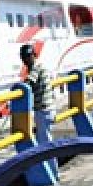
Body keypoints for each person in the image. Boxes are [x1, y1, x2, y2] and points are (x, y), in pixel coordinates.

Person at [20, 43, 58, 173]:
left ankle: (52, 172)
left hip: (43, 110)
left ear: (33, 56)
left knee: (45, 143)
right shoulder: (42, 66)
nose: (25, 60)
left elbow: (28, 83)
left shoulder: (35, 68)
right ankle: (50, 169)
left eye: (27, 56)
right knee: (45, 140)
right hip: (50, 109)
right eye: (24, 57)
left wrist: (16, 90)